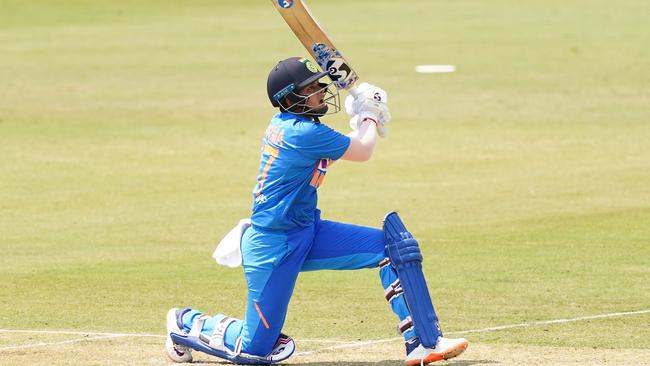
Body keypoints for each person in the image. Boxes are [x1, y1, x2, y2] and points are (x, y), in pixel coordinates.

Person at [164, 57, 468, 365]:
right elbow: (362, 151)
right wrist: (369, 117)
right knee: (255, 350)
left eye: (320, 84)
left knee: (394, 248)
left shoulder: (295, 127)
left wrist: (363, 123)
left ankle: (423, 342)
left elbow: (331, 155)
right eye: (311, 87)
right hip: (275, 247)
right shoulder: (302, 133)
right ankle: (184, 322)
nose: (321, 91)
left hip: (307, 232)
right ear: (290, 97)